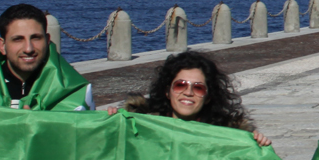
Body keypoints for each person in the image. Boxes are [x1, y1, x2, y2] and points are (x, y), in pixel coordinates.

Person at [116, 50, 271, 145]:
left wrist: (255, 145)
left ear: (208, 96)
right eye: (180, 85)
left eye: (198, 87)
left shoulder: (228, 135)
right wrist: (111, 126)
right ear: (167, 91)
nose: (188, 92)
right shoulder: (138, 125)